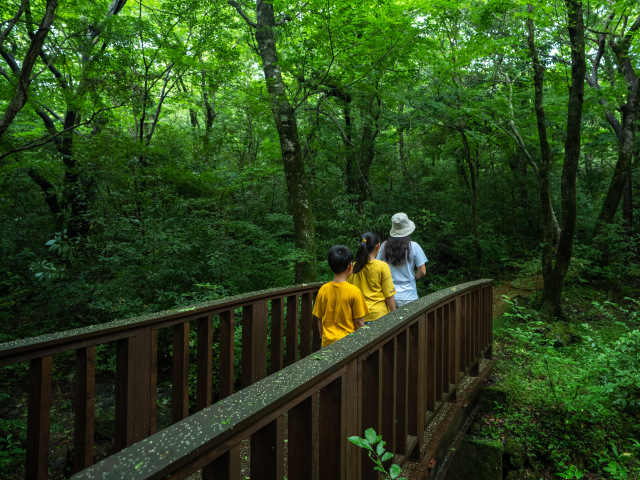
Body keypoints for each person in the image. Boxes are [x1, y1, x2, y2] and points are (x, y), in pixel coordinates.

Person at [313, 245, 370, 348]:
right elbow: (359, 321)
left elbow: (319, 318)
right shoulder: (354, 291)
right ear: (350, 266)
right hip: (348, 344)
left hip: (327, 343)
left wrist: (322, 337)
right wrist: (361, 342)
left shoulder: (323, 290)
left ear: (330, 267)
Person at [377, 212, 427, 308]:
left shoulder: (384, 246)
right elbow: (422, 272)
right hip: (409, 296)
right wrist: (412, 278)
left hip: (389, 296)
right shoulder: (414, 246)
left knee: (391, 323)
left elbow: (377, 267)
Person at [348, 232, 397, 323]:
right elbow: (389, 296)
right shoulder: (382, 266)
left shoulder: (353, 267)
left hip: (358, 316)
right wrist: (395, 317)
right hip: (378, 315)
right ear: (378, 246)